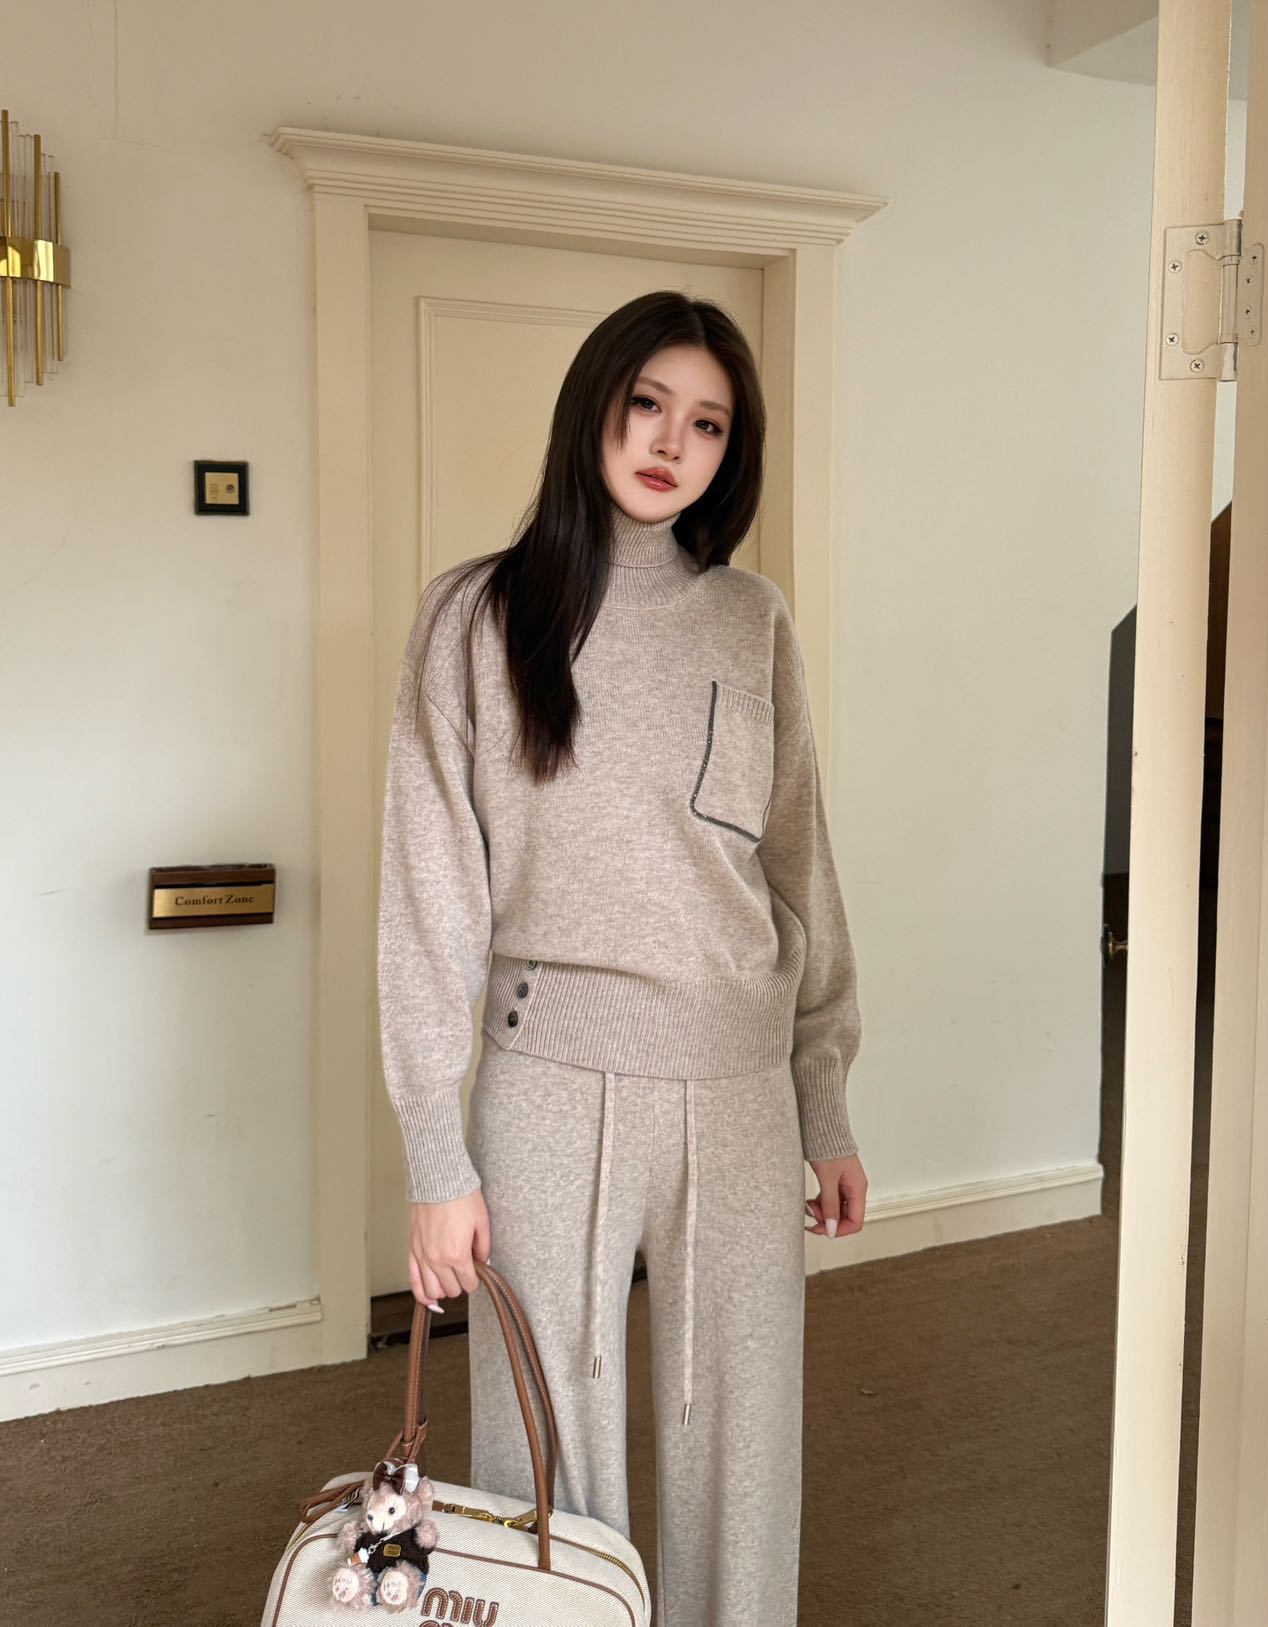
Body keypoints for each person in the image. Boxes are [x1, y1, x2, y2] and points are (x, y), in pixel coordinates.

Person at [375, 288, 868, 1627]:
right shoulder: (475, 617)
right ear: (593, 404)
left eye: (707, 424)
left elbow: (799, 869)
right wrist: (436, 1159)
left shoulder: (751, 619)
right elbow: (431, 899)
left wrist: (825, 1101)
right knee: (543, 1456)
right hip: (547, 1087)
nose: (670, 443)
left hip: (740, 1092)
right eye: (648, 404)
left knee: (742, 1454)